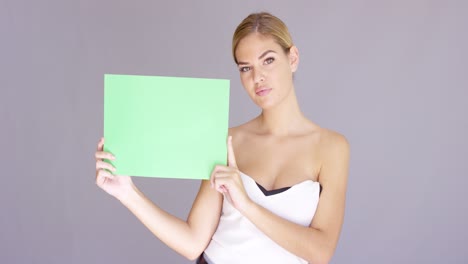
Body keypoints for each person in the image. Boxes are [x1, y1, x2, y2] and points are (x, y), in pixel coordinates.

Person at [95, 12, 349, 264]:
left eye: (268, 60)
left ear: (292, 58)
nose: (257, 77)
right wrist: (127, 193)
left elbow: (320, 252)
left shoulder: (331, 148)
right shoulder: (227, 140)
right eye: (245, 68)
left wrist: (246, 204)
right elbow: (193, 242)